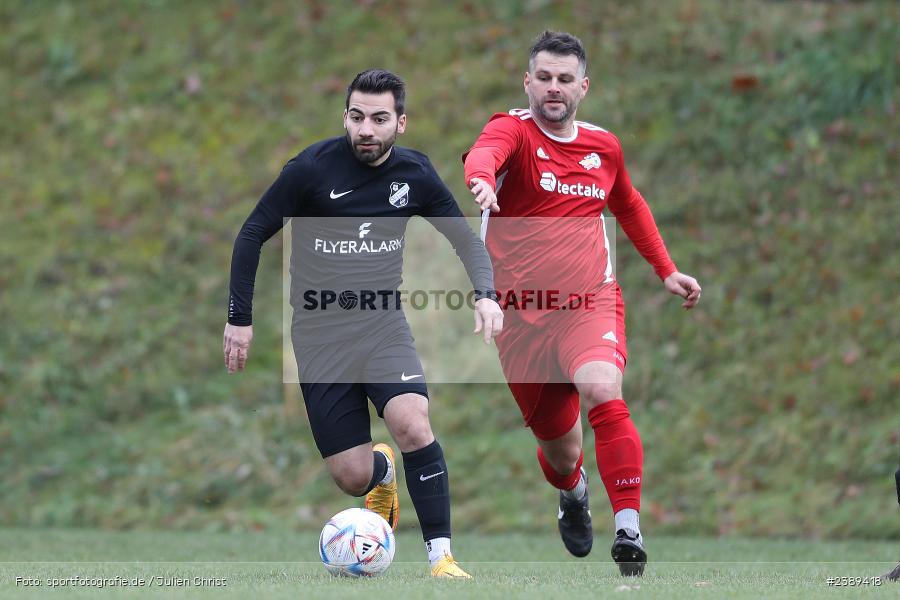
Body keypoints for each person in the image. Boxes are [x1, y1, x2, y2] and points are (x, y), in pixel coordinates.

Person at [224, 68, 503, 579]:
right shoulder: (310, 170)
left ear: (400, 122)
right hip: (318, 338)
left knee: (412, 423)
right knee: (352, 478)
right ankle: (381, 472)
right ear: (345, 118)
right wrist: (239, 320)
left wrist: (486, 295)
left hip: (381, 328)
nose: (366, 130)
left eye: (379, 119)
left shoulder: (415, 175)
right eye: (357, 117)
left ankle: (441, 558)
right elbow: (252, 233)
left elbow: (465, 240)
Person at [463, 31, 701, 576]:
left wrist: (666, 270)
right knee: (561, 451)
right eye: (543, 78)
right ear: (527, 82)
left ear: (583, 87)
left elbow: (630, 203)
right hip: (520, 319)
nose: (553, 88)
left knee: (601, 387)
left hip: (588, 301)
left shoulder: (604, 146)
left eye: (564, 79)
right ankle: (573, 493)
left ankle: (629, 529)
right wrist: (481, 180)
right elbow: (484, 153)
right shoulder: (513, 132)